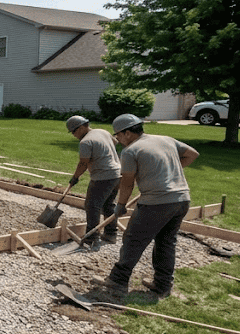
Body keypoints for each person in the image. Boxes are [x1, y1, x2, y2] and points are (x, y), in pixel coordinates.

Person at [91, 113, 199, 298]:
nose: (118, 139)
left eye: (118, 135)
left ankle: (117, 282)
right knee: (166, 242)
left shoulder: (131, 151)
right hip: (181, 200)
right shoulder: (166, 139)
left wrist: (121, 204)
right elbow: (192, 154)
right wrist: (165, 174)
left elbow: (127, 182)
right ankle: (162, 285)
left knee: (133, 239)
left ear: (126, 133)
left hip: (156, 204)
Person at [66, 115, 120, 247]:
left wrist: (75, 178)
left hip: (103, 177)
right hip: (117, 174)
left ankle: (91, 238)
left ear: (82, 127)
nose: (73, 135)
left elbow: (83, 163)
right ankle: (111, 234)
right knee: (108, 205)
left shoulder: (85, 142)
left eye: (74, 131)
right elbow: (115, 142)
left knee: (92, 206)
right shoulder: (103, 132)